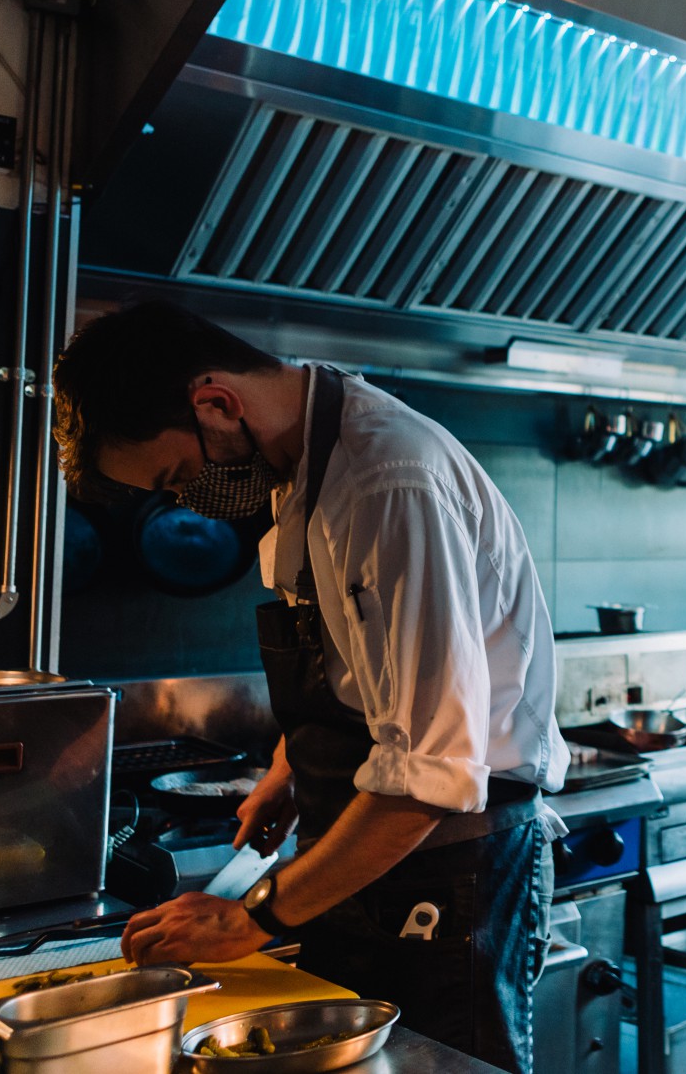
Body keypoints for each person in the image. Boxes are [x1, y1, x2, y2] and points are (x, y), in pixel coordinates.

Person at [51, 302, 565, 1071]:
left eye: (180, 474)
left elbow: (431, 776)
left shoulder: (390, 482)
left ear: (216, 403)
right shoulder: (307, 469)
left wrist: (249, 917)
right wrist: (289, 772)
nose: (191, 499)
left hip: (444, 866)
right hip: (367, 846)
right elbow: (356, 664)